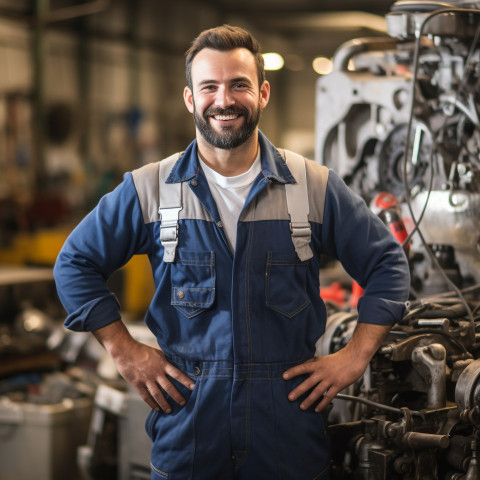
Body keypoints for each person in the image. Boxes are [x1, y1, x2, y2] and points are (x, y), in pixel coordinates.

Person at [54, 24, 410, 480]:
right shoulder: (148, 189)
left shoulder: (314, 186)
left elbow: (387, 264)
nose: (224, 99)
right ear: (190, 99)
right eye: (210, 87)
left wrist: (355, 356)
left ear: (262, 93)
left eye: (239, 84)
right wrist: (125, 351)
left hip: (288, 434)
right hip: (190, 431)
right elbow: (74, 264)